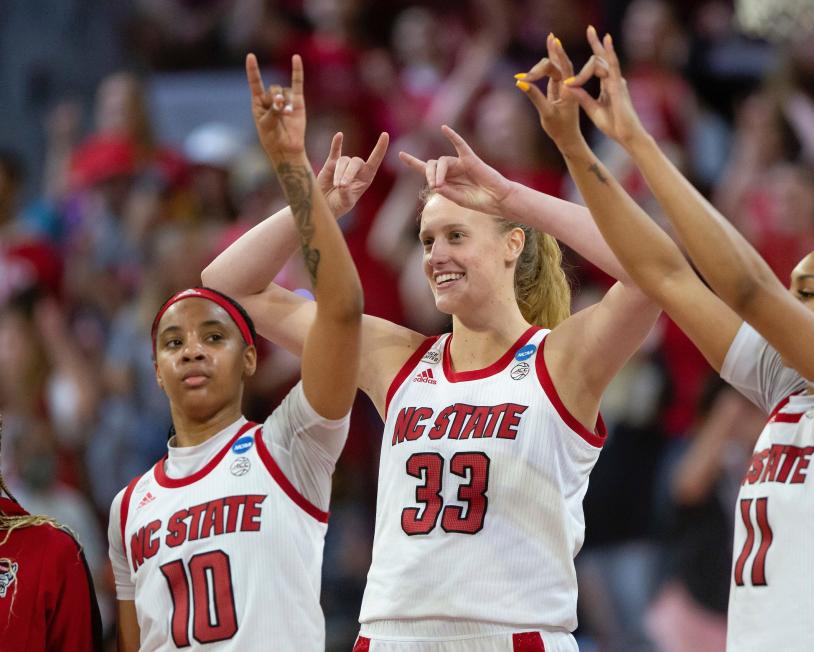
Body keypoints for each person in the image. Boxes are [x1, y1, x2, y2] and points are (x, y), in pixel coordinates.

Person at [514, 27, 814, 651]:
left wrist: (640, 140)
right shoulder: (787, 387)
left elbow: (750, 291)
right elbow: (665, 274)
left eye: (807, 293)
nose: (788, 303)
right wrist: (574, 146)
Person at [202, 69, 662, 652]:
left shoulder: (559, 361)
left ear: (511, 244)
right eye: (427, 240)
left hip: (510, 635)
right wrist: (317, 203)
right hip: (393, 636)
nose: (436, 255)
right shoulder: (396, 359)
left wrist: (514, 198)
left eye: (456, 236)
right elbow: (228, 286)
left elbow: (651, 276)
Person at [108, 53, 363, 651]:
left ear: (250, 359)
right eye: (174, 342)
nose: (192, 350)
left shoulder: (291, 443)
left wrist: (299, 179)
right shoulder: (127, 507)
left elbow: (342, 312)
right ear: (157, 371)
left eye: (214, 336)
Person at [0, 417, 103, 652]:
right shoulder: (12, 499)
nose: (40, 459)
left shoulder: (73, 506)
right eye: (34, 451)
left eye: (45, 451)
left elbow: (98, 571)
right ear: (16, 455)